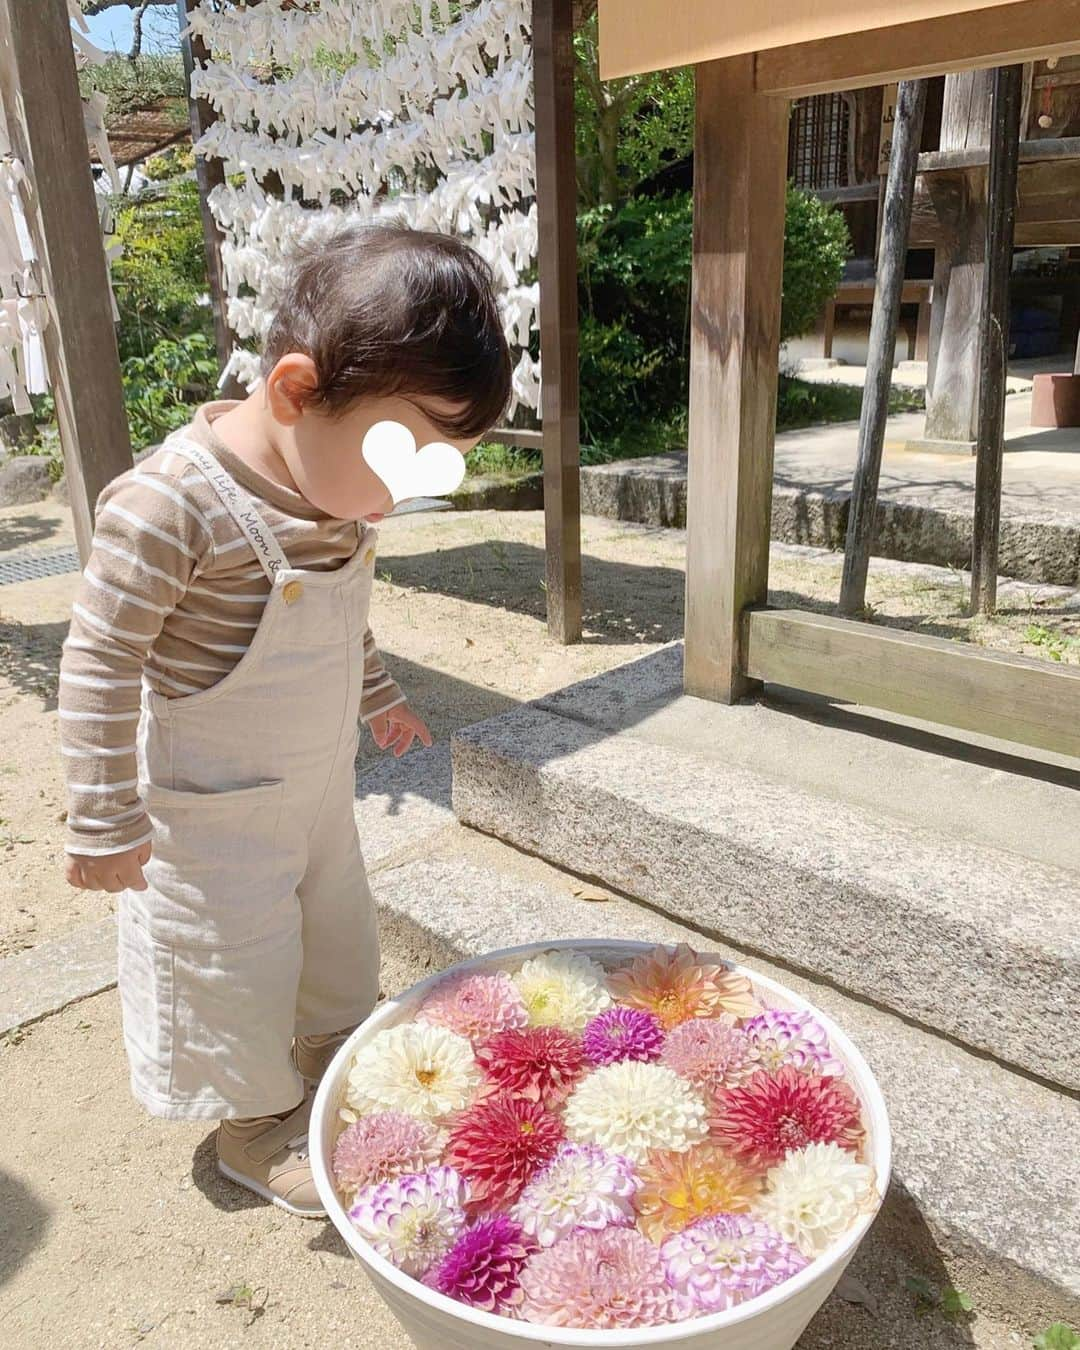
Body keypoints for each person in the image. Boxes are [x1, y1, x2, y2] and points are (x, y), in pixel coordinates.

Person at [59, 224, 512, 1216]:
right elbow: (100, 657)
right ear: (296, 391)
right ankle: (254, 1128)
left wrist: (379, 696)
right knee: (234, 968)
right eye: (405, 459)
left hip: (312, 798)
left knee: (331, 942)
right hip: (209, 820)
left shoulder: (336, 493)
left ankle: (331, 1067)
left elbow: (340, 621)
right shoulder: (170, 507)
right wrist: (101, 814)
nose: (409, 496)